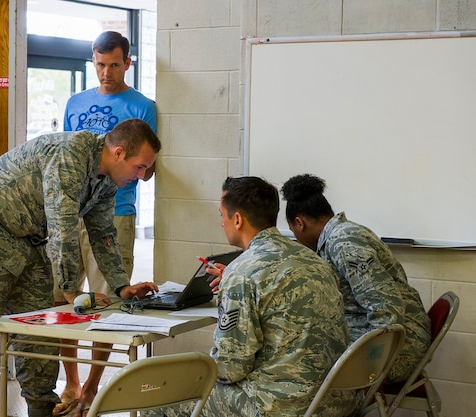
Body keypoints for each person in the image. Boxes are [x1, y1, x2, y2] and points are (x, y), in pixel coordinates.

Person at [0, 118, 161, 417]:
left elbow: (102, 232)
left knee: (40, 334)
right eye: (139, 167)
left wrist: (121, 285)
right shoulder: (71, 154)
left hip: (28, 241)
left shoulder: (106, 180)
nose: (140, 176)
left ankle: (41, 410)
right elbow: (62, 228)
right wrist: (73, 292)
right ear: (119, 152)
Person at [149, 176, 358, 417]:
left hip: (280, 406)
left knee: (160, 397)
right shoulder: (314, 260)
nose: (221, 224)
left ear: (237, 219)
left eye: (222, 215)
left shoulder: (242, 273)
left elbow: (231, 368)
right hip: (334, 399)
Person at [54, 30, 157, 417]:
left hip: (116, 211)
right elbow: (63, 154)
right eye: (99, 64)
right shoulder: (75, 102)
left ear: (127, 63)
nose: (105, 72)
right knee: (65, 295)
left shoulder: (142, 105)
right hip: (72, 208)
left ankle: (93, 387)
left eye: (114, 65)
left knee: (108, 300)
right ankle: (71, 381)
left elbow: (147, 167)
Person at [280, 173, 431, 383]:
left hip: (399, 349)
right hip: (388, 338)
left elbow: (386, 311)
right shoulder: (337, 238)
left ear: (299, 223)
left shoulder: (343, 241)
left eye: (292, 231)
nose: (296, 238)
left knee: (295, 364)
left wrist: (372, 362)